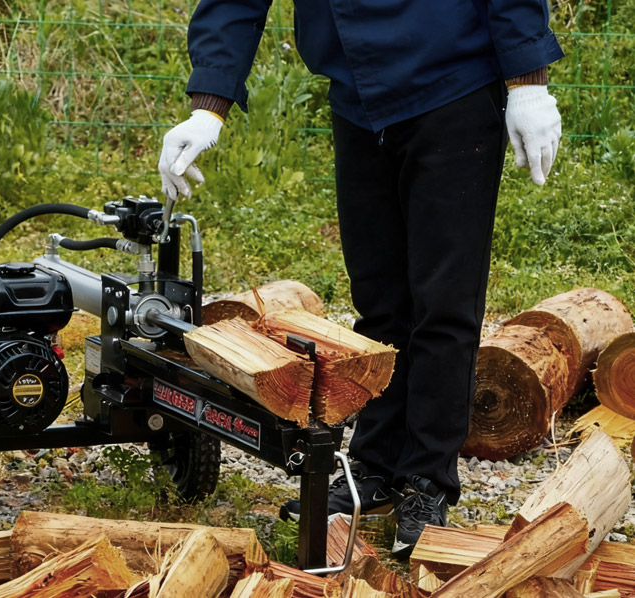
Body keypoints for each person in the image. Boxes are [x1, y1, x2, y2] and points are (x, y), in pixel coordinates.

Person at [157, 0, 564, 556]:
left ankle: (427, 482)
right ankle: (374, 468)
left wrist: (527, 81)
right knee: (378, 302)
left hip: (453, 86)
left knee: (443, 305)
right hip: (359, 100)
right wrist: (210, 104)